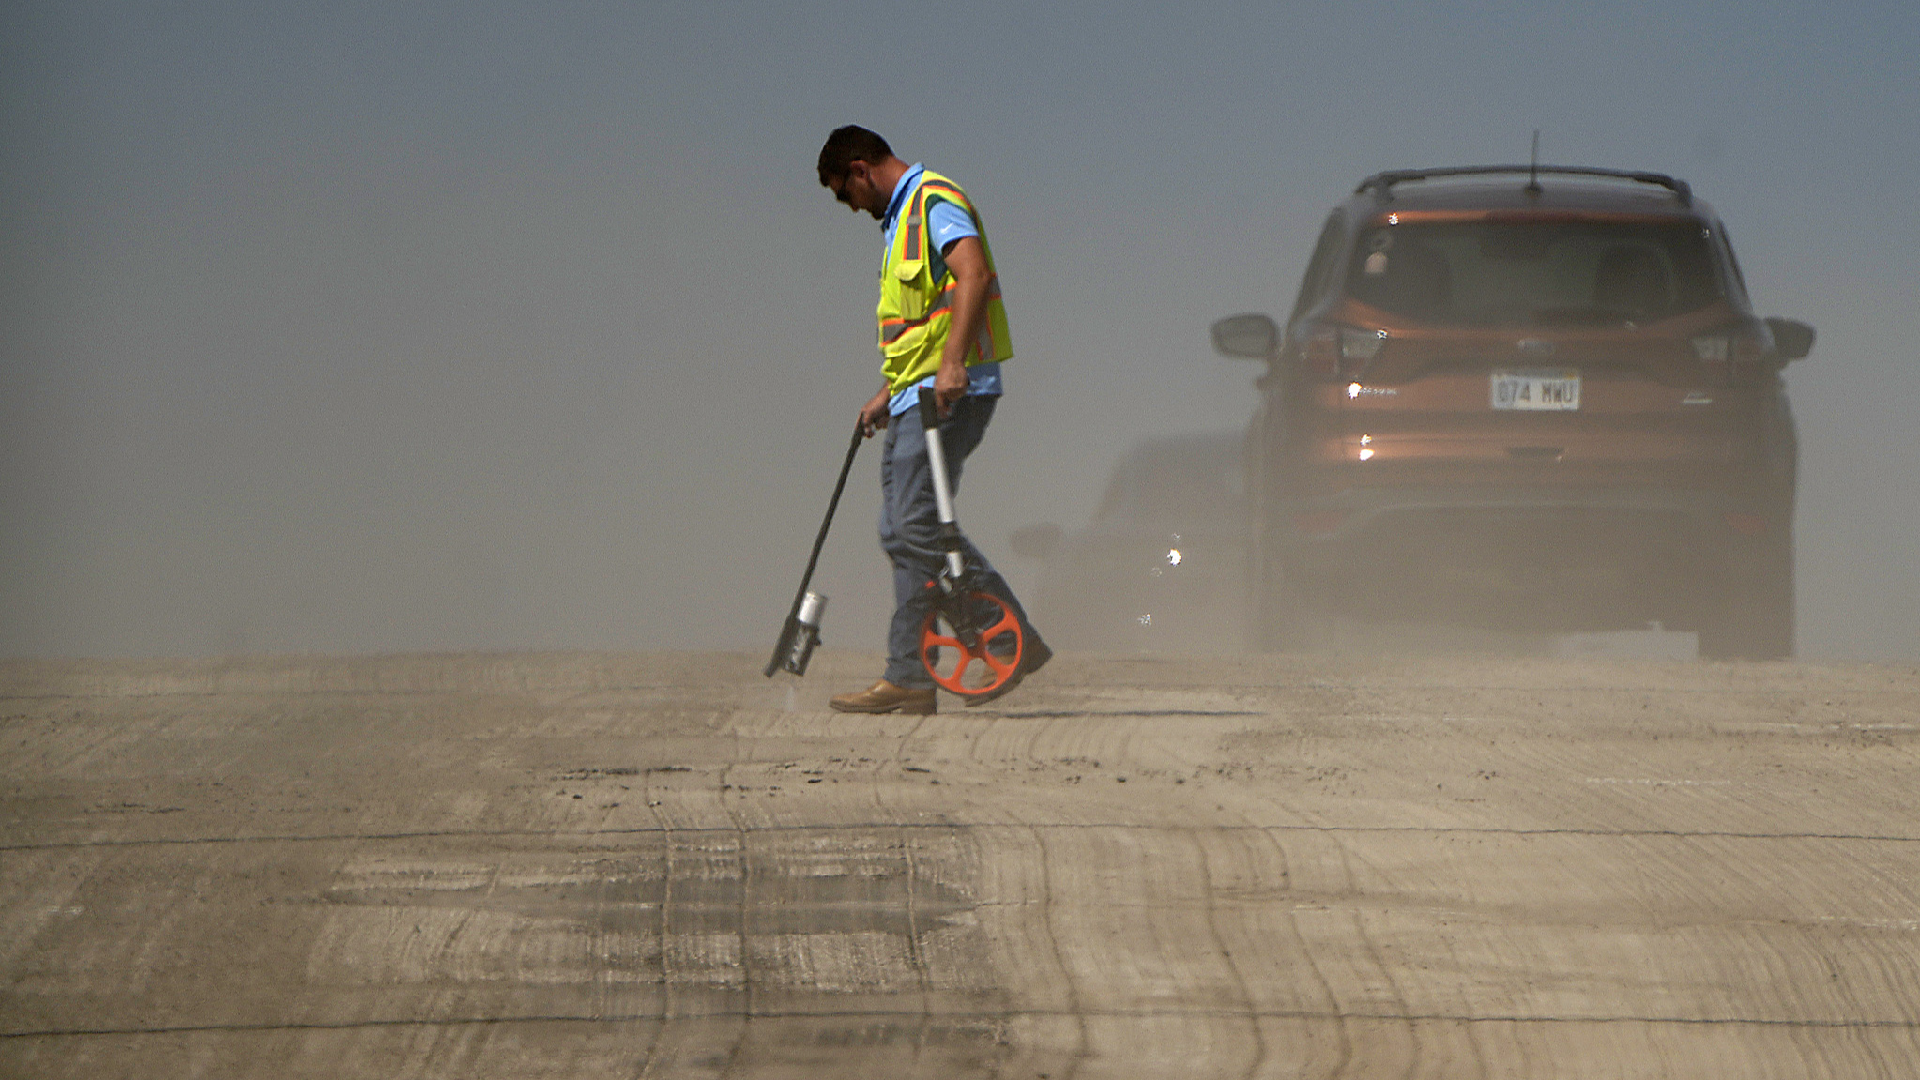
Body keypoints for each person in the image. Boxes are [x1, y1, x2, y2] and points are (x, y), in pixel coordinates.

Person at [815, 125, 1049, 714]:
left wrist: (950, 367)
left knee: (915, 524)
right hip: (913, 394)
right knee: (899, 530)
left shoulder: (932, 201)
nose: (848, 206)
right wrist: (887, 392)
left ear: (861, 170)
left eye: (845, 192)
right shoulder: (901, 220)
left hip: (949, 393)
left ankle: (1007, 640)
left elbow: (972, 273)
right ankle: (912, 677)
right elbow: (923, 324)